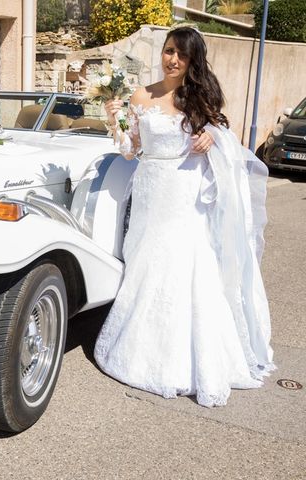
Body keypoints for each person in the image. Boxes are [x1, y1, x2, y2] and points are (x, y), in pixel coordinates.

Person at [94, 26, 275, 407]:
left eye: (182, 55)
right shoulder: (141, 95)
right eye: (169, 51)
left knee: (182, 264)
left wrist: (211, 136)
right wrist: (116, 122)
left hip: (185, 193)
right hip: (149, 189)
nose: (173, 59)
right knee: (145, 261)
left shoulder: (200, 97)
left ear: (192, 61)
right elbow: (130, 151)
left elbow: (223, 135)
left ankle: (185, 359)